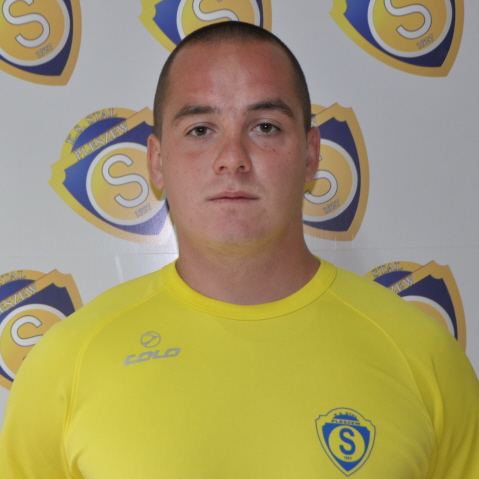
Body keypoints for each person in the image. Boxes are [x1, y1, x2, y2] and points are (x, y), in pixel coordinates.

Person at [1, 21, 478, 478]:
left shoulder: (424, 356)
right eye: (200, 129)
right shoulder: (67, 365)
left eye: (265, 127)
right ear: (157, 161)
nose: (232, 158)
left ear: (311, 155)